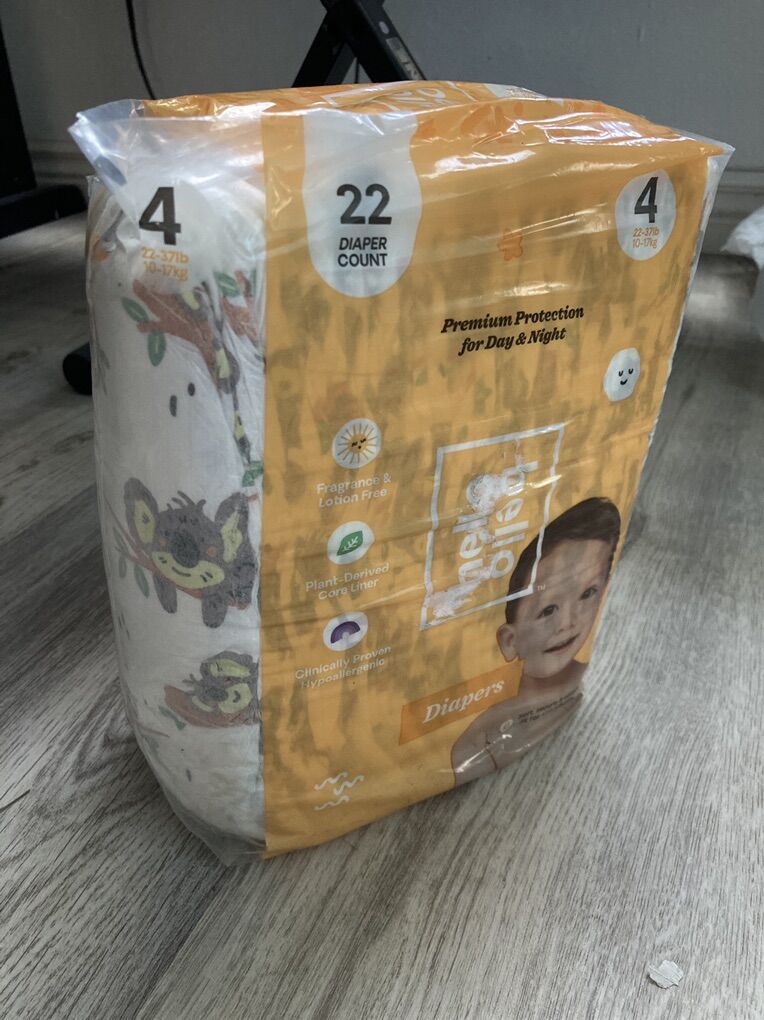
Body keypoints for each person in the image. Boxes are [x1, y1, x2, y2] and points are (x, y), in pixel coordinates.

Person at [451, 497, 621, 785]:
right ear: (509, 640)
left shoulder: (573, 680)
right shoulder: (479, 737)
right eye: (548, 610)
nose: (568, 623)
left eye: (588, 593)